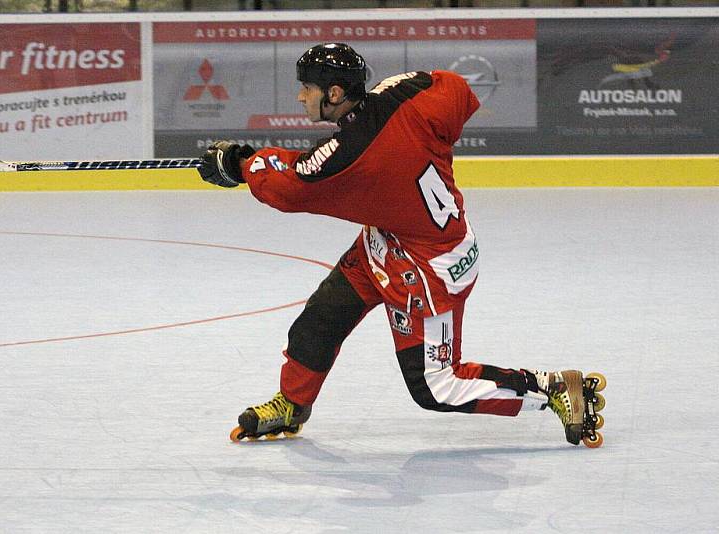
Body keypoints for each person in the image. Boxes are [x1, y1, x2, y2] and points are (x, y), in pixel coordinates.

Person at [197, 43, 605, 447]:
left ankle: (549, 389)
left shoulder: (353, 155)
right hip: (388, 245)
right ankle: (292, 403)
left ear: (335, 94)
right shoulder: (401, 92)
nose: (301, 96)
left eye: (308, 88)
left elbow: (293, 185)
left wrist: (240, 165)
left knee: (436, 388)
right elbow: (456, 90)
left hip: (427, 272)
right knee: (319, 321)